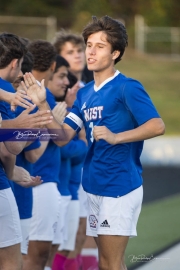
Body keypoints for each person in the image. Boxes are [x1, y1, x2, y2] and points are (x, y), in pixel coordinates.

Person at [23, 15, 165, 270]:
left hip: (119, 184)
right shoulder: (85, 93)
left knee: (111, 263)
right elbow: (63, 138)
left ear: (115, 53)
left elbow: (157, 125)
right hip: (94, 185)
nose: (91, 51)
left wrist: (115, 136)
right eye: (89, 44)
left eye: (100, 46)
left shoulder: (127, 87)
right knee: (105, 263)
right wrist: (43, 103)